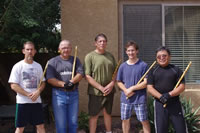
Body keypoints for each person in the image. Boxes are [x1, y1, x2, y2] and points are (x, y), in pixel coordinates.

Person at [46, 40, 84, 133]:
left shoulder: (75, 60)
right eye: (63, 48)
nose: (65, 50)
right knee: (61, 123)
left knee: (73, 122)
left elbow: (80, 74)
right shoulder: (52, 62)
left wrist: (72, 81)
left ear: (71, 49)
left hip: (73, 94)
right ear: (59, 49)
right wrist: (64, 84)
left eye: (67, 47)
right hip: (58, 95)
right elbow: (50, 79)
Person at [147, 46, 188, 133]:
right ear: (156, 58)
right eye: (159, 56)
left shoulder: (176, 70)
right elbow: (150, 88)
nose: (161, 58)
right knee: (161, 130)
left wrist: (169, 95)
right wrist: (161, 97)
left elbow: (182, 86)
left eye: (164, 56)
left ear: (169, 56)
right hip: (159, 104)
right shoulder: (153, 71)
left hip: (175, 103)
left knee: (181, 129)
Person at [8, 41, 46, 133]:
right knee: (20, 128)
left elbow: (43, 82)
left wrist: (38, 91)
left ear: (35, 51)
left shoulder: (38, 66)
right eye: (27, 49)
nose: (30, 51)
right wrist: (28, 94)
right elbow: (13, 85)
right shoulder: (18, 66)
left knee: (40, 126)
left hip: (36, 102)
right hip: (23, 102)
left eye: (31, 49)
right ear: (23, 51)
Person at [84, 33, 116, 133]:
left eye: (104, 41)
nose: (102, 43)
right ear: (95, 43)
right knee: (94, 115)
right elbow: (87, 76)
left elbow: (116, 72)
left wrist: (112, 84)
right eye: (100, 41)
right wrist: (101, 88)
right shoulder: (90, 56)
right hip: (95, 92)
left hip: (109, 91)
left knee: (107, 113)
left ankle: (108, 131)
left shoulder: (110, 56)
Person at [116, 41, 151, 133]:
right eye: (129, 50)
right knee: (125, 120)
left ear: (137, 51)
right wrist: (126, 90)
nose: (131, 53)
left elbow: (145, 82)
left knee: (144, 120)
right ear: (126, 52)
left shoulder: (143, 65)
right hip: (126, 98)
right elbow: (119, 82)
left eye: (133, 50)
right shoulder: (123, 66)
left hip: (139, 98)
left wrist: (132, 88)